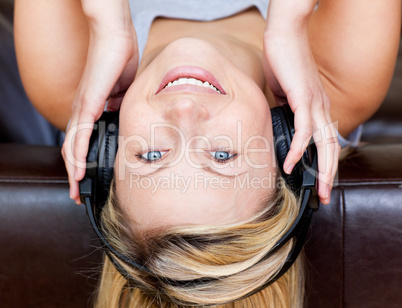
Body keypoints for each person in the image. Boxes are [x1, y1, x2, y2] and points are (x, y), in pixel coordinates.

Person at [14, 0, 401, 307]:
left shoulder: (66, 80)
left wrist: (107, 20)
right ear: (286, 151)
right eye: (222, 155)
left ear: (108, 147)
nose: (184, 112)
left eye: (151, 156)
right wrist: (289, 21)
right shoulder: (342, 79)